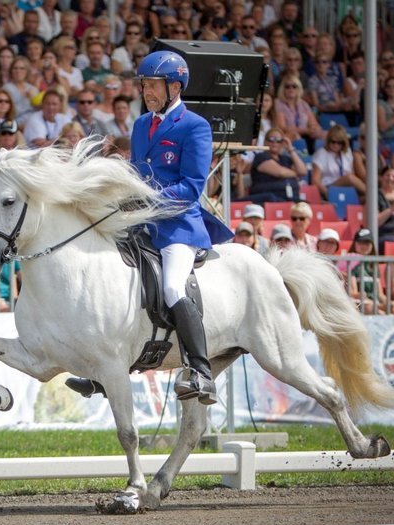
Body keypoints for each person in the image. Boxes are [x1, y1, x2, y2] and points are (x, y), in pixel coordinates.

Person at [68, 51, 232, 404]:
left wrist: (145, 198)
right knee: (107, 275)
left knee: (172, 288)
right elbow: (138, 173)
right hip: (140, 222)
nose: (147, 91)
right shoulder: (142, 126)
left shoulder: (195, 126)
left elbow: (191, 187)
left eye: (153, 85)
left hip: (178, 227)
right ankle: (104, 367)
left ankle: (201, 372)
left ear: (175, 87)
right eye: (144, 85)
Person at [248, 127, 307, 202]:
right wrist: (296, 174)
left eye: (278, 140)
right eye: (271, 139)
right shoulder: (261, 157)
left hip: (289, 197)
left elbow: (303, 171)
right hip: (269, 198)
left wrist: (291, 149)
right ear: (265, 142)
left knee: (306, 206)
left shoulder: (285, 159)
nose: (274, 143)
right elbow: (280, 173)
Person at [311, 125, 366, 199]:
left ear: (343, 143)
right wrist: (327, 192)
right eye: (333, 142)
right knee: (349, 178)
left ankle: (373, 196)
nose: (335, 145)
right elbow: (315, 180)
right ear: (328, 140)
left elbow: (352, 173)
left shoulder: (347, 153)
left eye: (339, 143)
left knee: (365, 199)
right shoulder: (321, 154)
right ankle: (373, 193)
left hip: (346, 187)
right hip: (328, 186)